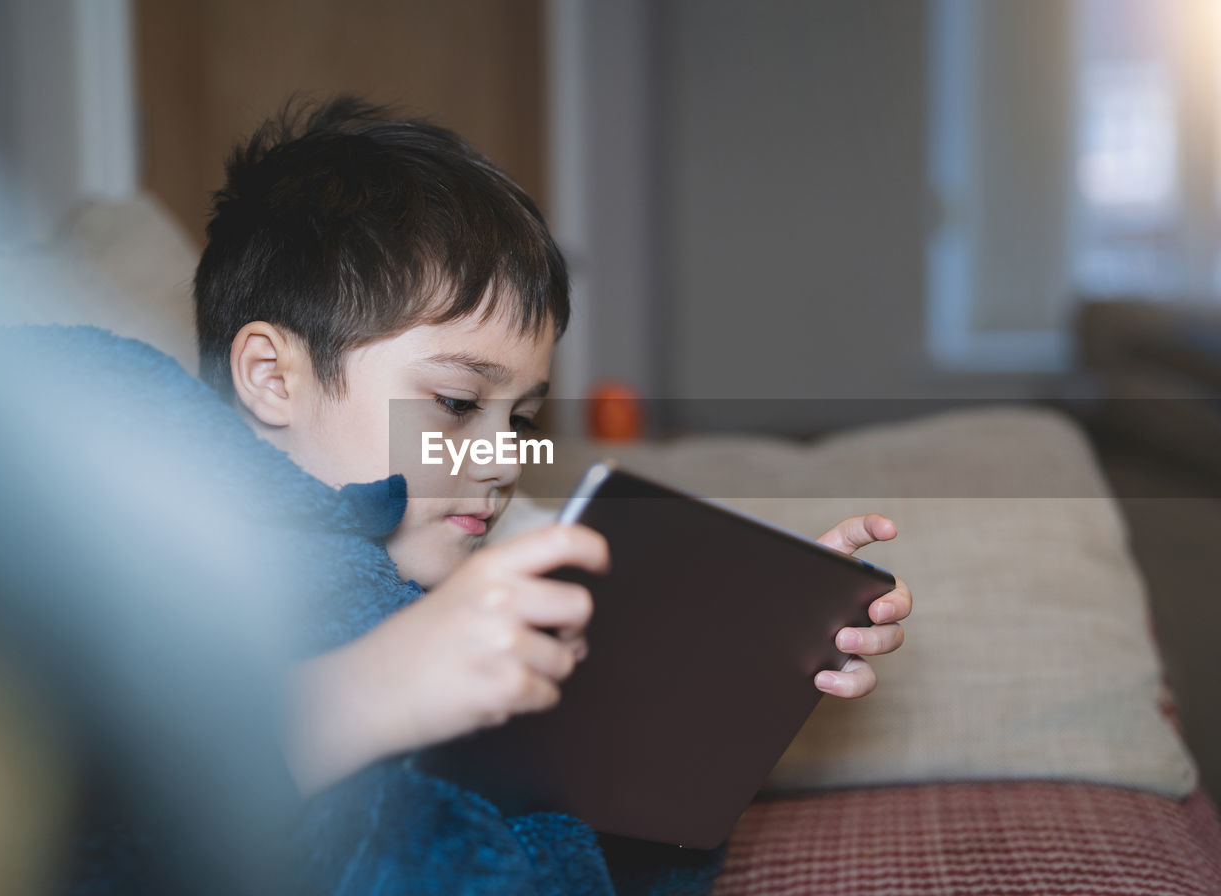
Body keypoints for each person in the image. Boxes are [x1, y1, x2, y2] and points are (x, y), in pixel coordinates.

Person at [74, 96, 912, 894]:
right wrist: (374, 686)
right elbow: (86, 814)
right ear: (271, 377)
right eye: (457, 402)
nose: (504, 457)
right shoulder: (161, 551)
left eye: (522, 416)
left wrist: (720, 689)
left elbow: (572, 856)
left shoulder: (458, 599)